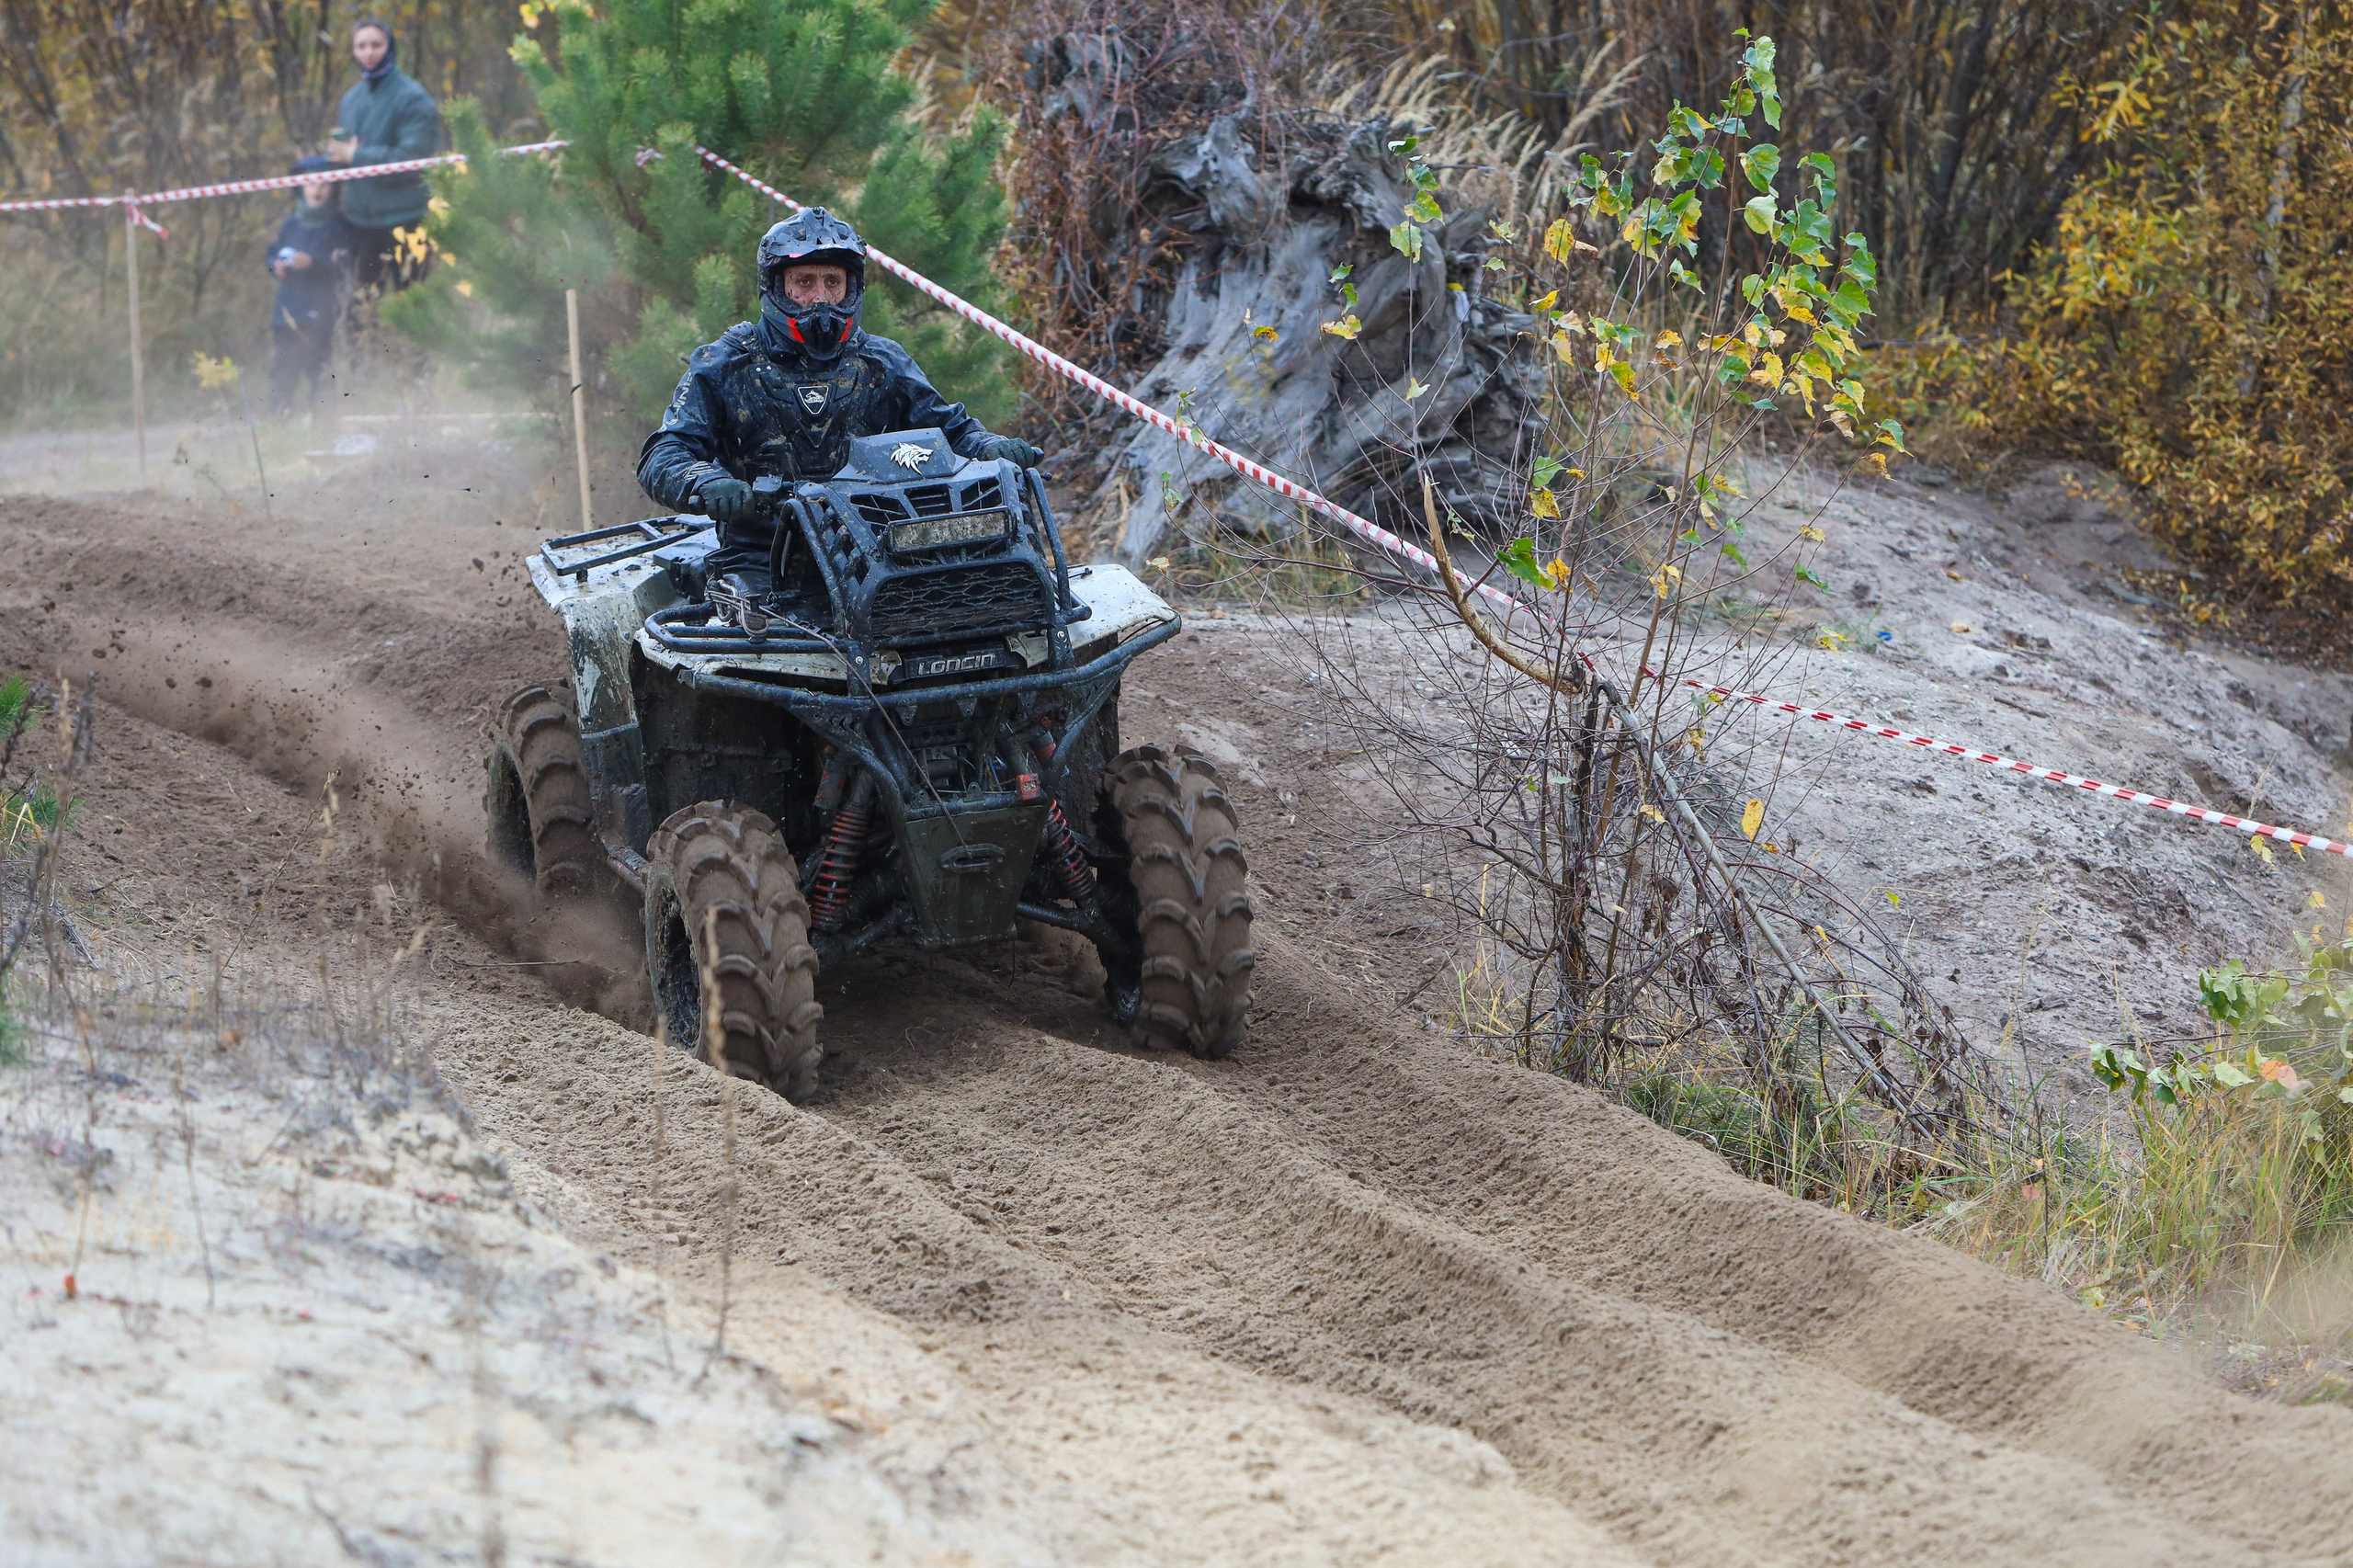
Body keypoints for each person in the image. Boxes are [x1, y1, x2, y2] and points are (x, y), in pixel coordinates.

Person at [638, 208, 1042, 607]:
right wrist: (705, 482)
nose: (821, 298)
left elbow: (951, 430)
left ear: (853, 287)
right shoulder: (725, 364)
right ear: (776, 287)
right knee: (763, 640)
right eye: (805, 282)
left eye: (833, 282)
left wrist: (990, 446)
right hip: (763, 556)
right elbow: (663, 453)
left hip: (880, 548)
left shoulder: (881, 361)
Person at [326, 17, 443, 303]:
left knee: (414, 306)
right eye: (361, 46)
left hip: (406, 219)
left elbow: (413, 160)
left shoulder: (412, 98)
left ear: (390, 47)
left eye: (376, 45)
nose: (368, 53)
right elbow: (349, 158)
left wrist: (357, 156)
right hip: (360, 222)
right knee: (360, 308)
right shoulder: (351, 99)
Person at [265, 156, 360, 415]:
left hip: (322, 316)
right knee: (283, 373)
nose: (317, 190)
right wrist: (276, 265)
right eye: (310, 184)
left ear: (334, 189)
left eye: (324, 184)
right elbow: (272, 253)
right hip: (287, 314)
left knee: (321, 375)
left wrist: (314, 263)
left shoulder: (341, 227)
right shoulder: (290, 225)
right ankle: (276, 425)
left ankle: (322, 428)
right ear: (300, 188)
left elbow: (347, 263)